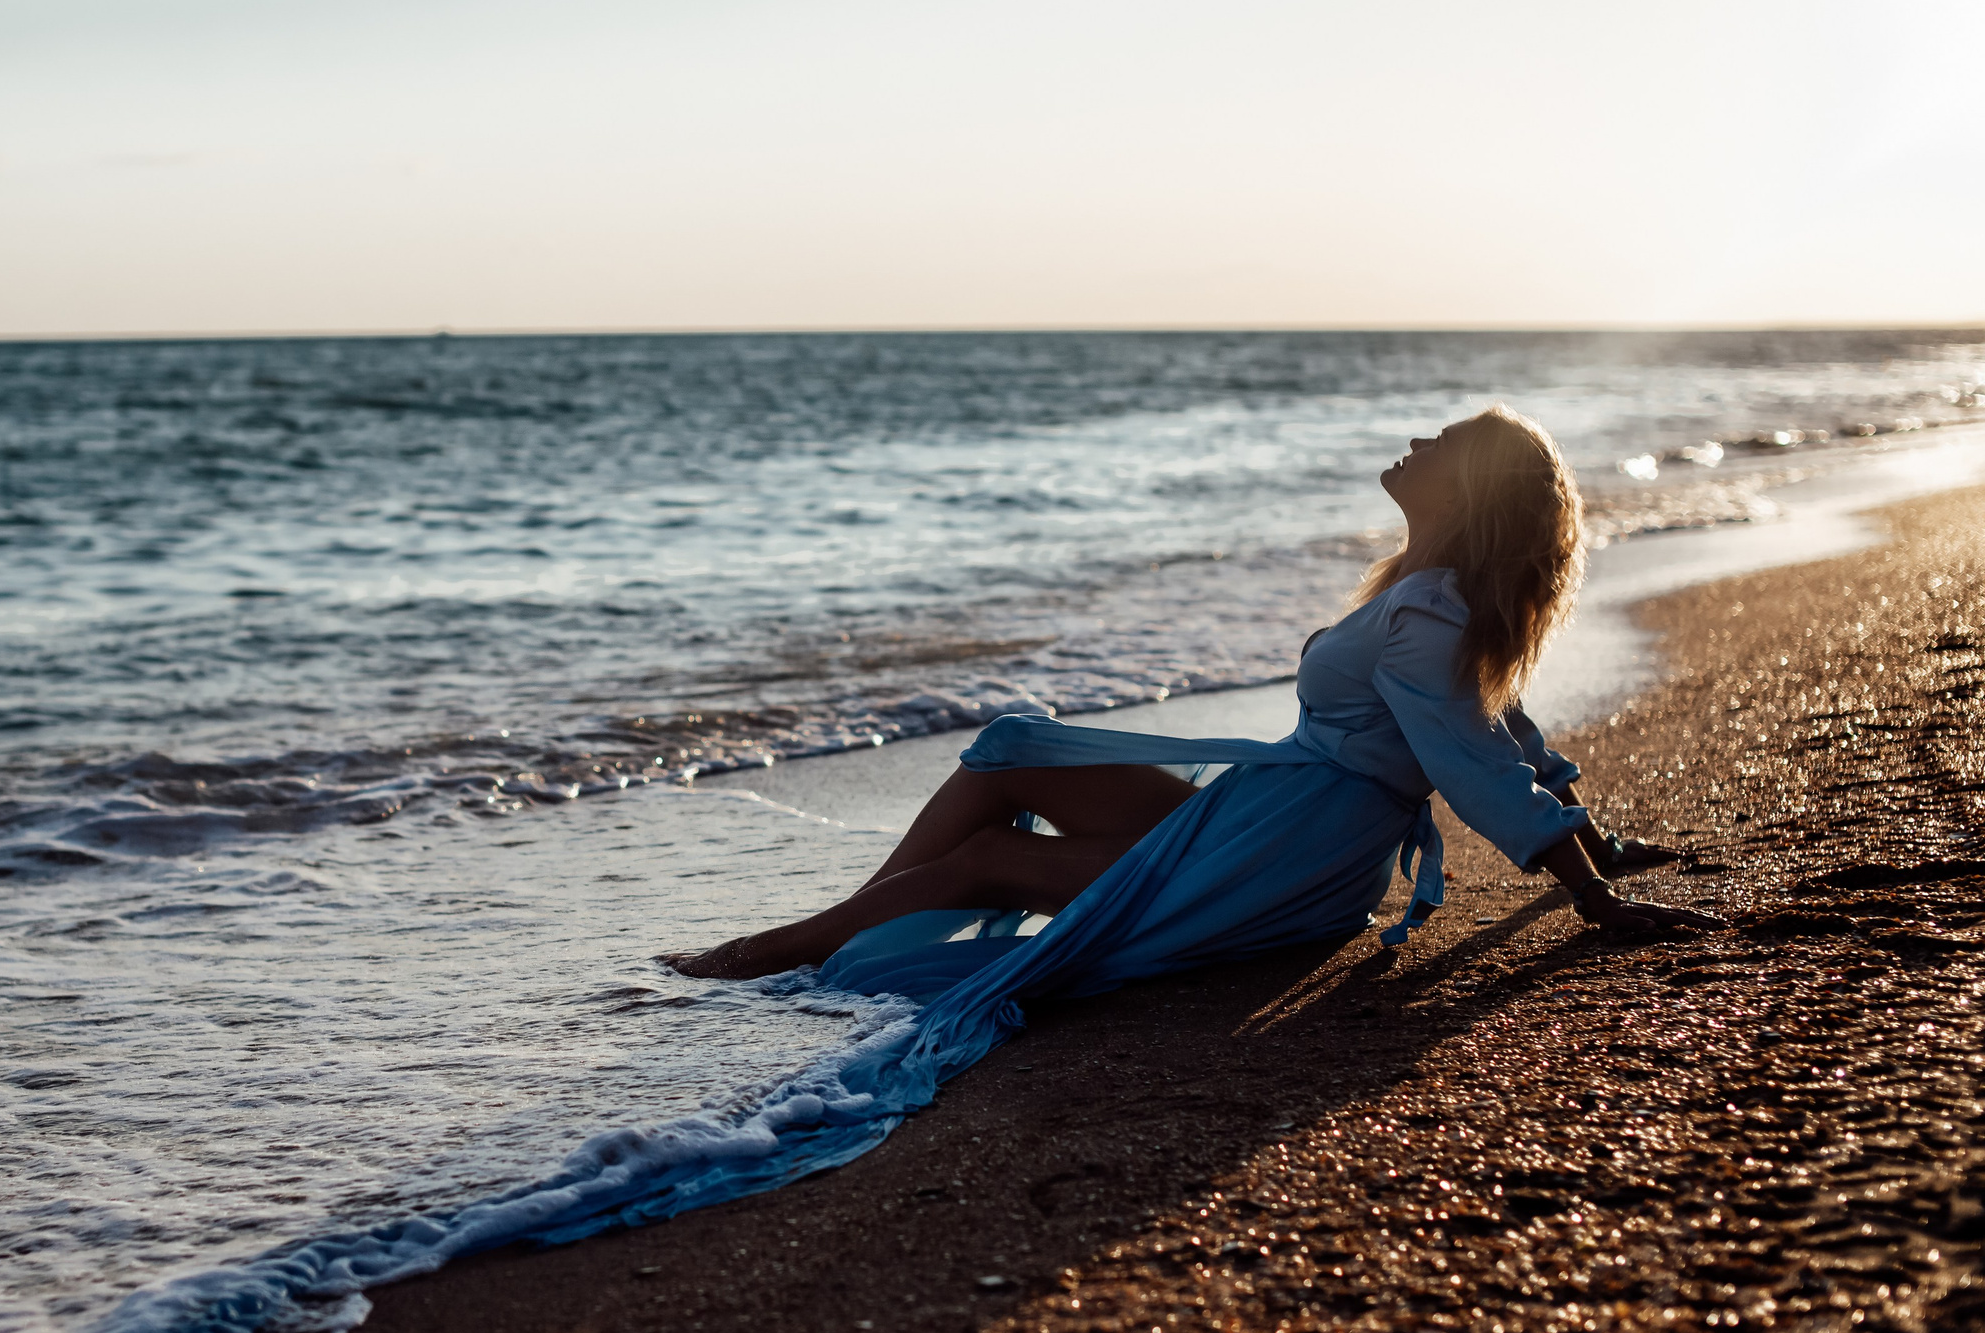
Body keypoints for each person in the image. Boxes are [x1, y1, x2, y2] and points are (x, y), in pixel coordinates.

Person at [672, 405, 1724, 993]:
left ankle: (777, 953)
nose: (1416, 444)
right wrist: (1596, 838)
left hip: (1285, 854)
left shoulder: (1427, 610)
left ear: (1468, 488)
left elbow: (1475, 758)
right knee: (1012, 746)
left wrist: (1592, 895)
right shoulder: (1426, 593)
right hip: (1272, 819)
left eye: (1440, 444)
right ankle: (841, 935)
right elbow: (1506, 727)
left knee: (988, 860)